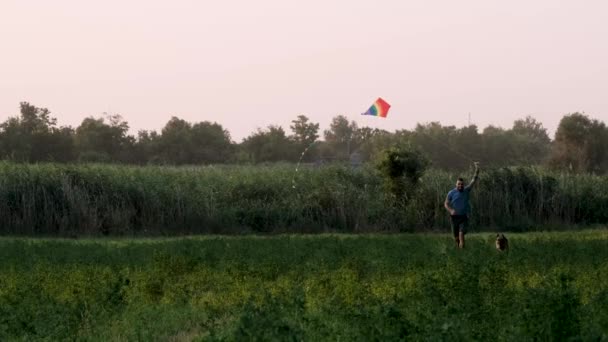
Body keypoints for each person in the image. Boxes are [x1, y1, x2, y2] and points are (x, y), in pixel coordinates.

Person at [444, 162, 480, 248]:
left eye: (462, 184)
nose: (460, 185)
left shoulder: (466, 190)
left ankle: (462, 251)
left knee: (461, 234)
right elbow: (446, 203)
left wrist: (477, 169)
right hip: (454, 218)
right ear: (456, 184)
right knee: (456, 238)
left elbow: (473, 180)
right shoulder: (451, 193)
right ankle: (459, 252)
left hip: (464, 217)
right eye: (459, 184)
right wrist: (451, 210)